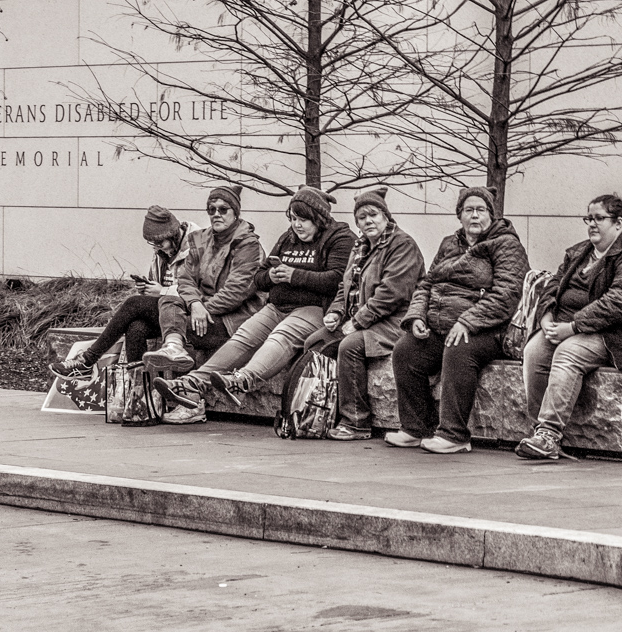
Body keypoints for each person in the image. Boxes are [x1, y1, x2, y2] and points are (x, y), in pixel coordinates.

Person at [157, 185, 355, 420]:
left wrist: (294, 275)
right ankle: (194, 382)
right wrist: (271, 276)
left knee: (280, 336)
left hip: (314, 309)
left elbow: (338, 280)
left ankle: (243, 380)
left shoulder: (340, 238)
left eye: (303, 220)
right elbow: (260, 278)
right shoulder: (288, 238)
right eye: (293, 219)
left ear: (319, 218)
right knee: (245, 336)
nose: (297, 225)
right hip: (277, 305)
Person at [515, 193, 622, 462]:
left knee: (568, 353)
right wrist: (546, 318)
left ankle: (548, 435)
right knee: (534, 350)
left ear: (618, 223)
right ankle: (539, 430)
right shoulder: (578, 253)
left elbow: (619, 303)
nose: (591, 223)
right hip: (570, 326)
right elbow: (553, 287)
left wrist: (574, 327)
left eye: (599, 218)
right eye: (588, 218)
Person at [386, 185, 528, 455]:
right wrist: (416, 315)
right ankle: (415, 428)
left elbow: (507, 294)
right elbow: (427, 284)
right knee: (406, 350)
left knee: (459, 348)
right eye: (468, 210)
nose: (475, 216)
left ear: (492, 215)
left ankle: (454, 434)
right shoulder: (449, 244)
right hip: (441, 325)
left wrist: (467, 322)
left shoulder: (507, 245)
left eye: (481, 210)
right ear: (459, 215)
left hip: (487, 329)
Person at [285, 186, 424, 440]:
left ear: (386, 216)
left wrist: (357, 322)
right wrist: (337, 313)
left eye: (373, 215)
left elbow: (391, 294)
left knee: (350, 346)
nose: (368, 221)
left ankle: (356, 422)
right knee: (314, 342)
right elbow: (344, 286)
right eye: (362, 217)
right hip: (361, 319)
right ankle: (319, 413)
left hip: (393, 321)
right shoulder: (360, 247)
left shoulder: (402, 245)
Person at [144, 184, 264, 423]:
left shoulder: (248, 244)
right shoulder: (200, 239)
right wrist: (196, 305)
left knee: (150, 314)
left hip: (234, 321)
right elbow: (185, 279)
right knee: (164, 302)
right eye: (211, 209)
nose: (216, 214)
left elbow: (236, 292)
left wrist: (202, 308)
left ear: (235, 213)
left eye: (223, 209)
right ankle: (143, 394)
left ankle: (191, 404)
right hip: (204, 311)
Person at [48, 205, 196, 380]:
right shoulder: (160, 252)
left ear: (174, 235)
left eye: (160, 243)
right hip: (167, 312)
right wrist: (149, 288)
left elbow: (197, 290)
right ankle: (140, 391)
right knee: (136, 328)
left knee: (133, 303)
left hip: (190, 313)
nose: (157, 248)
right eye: (153, 244)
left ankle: (88, 360)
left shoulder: (197, 248)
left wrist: (162, 291)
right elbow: (159, 286)